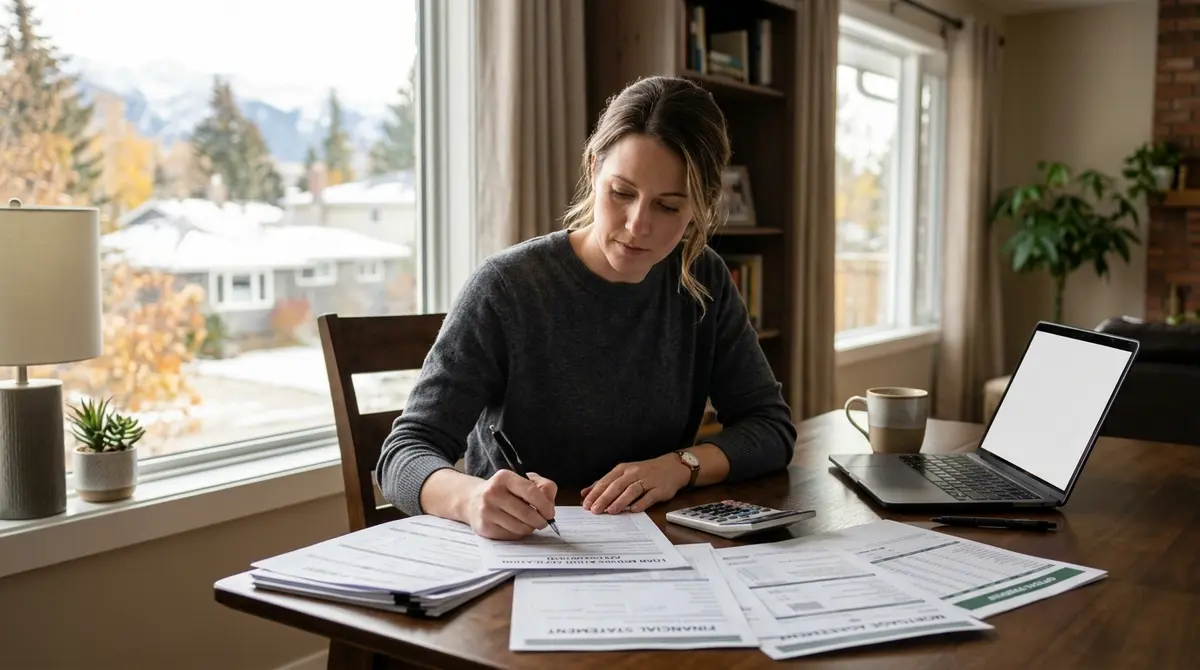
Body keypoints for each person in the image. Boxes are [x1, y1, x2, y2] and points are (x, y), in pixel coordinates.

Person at [376, 75, 797, 540]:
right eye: (622, 193)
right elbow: (403, 454)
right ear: (594, 169)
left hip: (656, 548)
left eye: (668, 207)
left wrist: (681, 466)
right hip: (528, 548)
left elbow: (771, 429)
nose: (637, 225)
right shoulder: (507, 287)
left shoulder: (703, 279)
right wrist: (472, 499)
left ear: (700, 206)